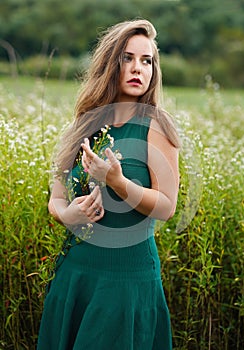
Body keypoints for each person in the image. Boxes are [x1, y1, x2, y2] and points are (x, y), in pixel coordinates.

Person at [37, 19, 180, 350]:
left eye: (147, 61)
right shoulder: (83, 124)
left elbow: (167, 207)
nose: (138, 68)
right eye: (127, 58)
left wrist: (117, 181)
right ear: (109, 62)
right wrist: (67, 214)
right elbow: (56, 199)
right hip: (76, 274)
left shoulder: (157, 126)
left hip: (127, 279)